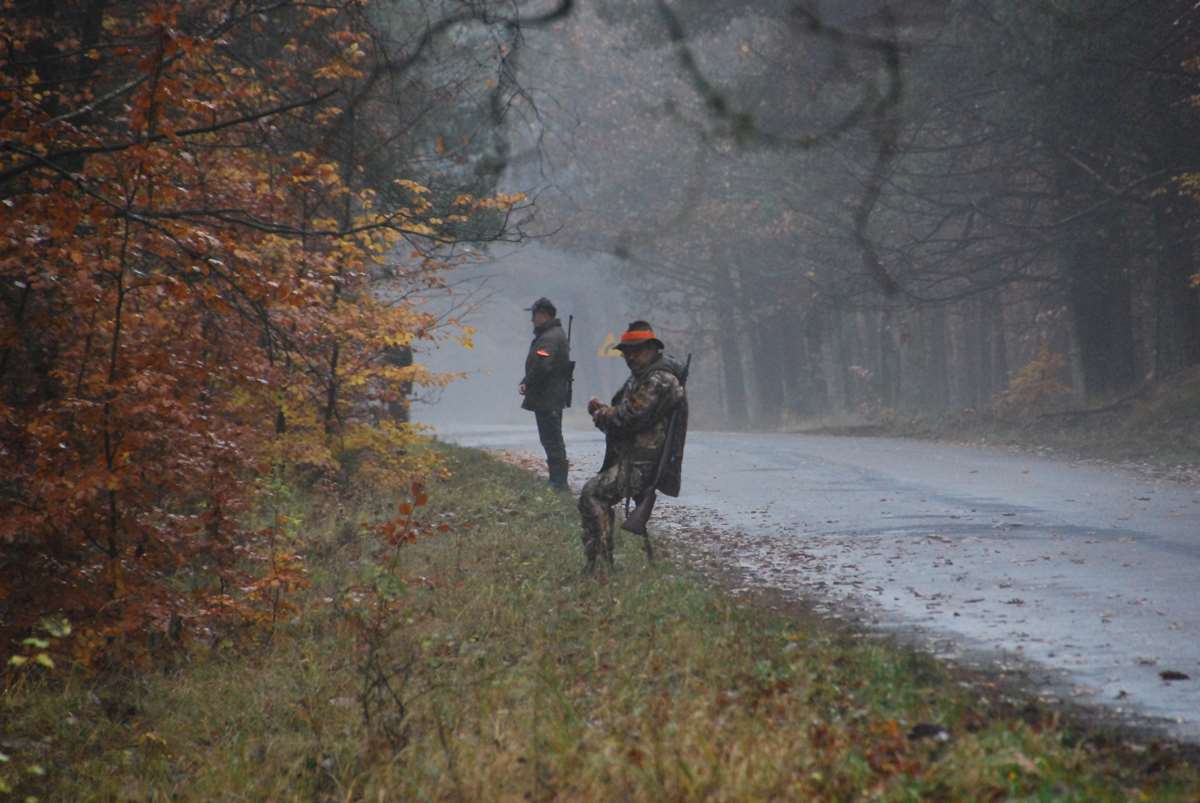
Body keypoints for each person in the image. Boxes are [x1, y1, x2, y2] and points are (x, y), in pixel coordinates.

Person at [578, 320, 687, 573]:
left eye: (636, 350)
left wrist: (602, 414)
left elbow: (627, 418)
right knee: (594, 494)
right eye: (626, 352)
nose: (630, 356)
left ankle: (600, 567)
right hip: (635, 458)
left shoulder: (658, 379)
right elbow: (626, 416)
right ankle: (600, 564)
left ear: (651, 349)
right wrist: (606, 413)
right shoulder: (645, 376)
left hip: (643, 464)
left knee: (592, 494)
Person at [519, 297, 571, 489]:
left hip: (548, 396)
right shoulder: (553, 334)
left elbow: (542, 365)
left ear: (543, 315)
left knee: (551, 439)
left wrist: (527, 382)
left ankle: (558, 482)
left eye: (534, 315)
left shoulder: (549, 338)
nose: (532, 320)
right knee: (551, 438)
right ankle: (557, 481)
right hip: (549, 395)